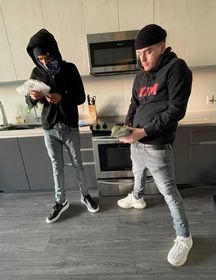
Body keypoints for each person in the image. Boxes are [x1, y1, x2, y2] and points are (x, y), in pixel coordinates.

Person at [117, 24, 193, 266]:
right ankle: (137, 198)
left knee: (169, 193)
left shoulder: (176, 68)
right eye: (139, 53)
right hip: (136, 141)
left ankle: (184, 237)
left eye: (147, 51)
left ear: (162, 45)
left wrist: (144, 131)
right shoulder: (140, 76)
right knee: (137, 173)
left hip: (157, 145)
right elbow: (134, 102)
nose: (143, 58)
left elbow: (176, 110)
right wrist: (127, 126)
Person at [25, 29, 99, 224]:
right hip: (49, 127)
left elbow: (80, 97)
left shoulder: (69, 69)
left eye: (45, 57)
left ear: (53, 52)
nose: (43, 62)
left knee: (77, 164)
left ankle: (85, 196)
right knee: (56, 166)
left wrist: (61, 97)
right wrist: (32, 98)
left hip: (69, 125)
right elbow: (29, 101)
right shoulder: (36, 72)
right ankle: (60, 201)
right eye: (39, 59)